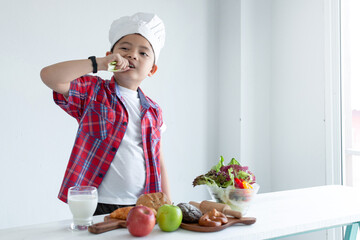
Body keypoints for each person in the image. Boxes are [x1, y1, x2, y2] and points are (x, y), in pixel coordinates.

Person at [40, 12, 170, 215]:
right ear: (111, 54)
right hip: (96, 202)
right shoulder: (93, 92)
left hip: (143, 205)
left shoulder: (154, 111)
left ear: (152, 70)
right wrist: (99, 63)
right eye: (125, 48)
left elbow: (158, 157)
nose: (132, 55)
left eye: (143, 53)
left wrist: (167, 204)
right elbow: (50, 77)